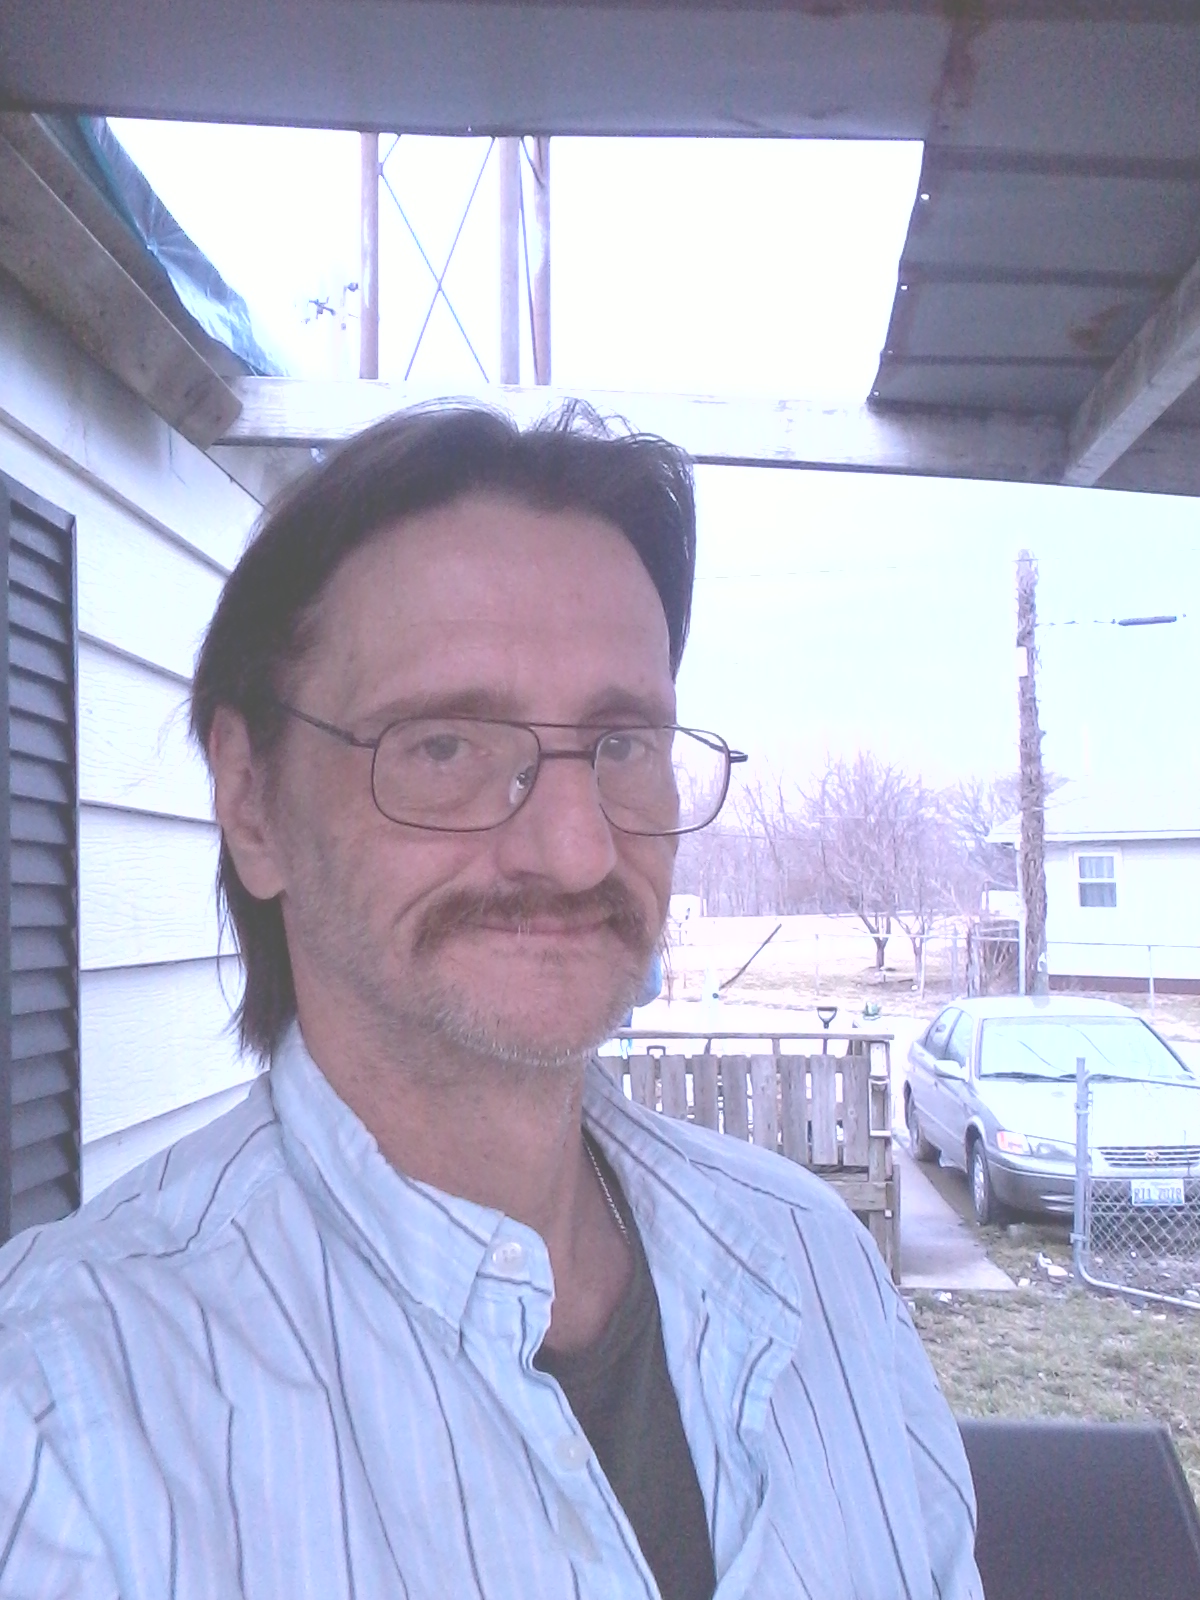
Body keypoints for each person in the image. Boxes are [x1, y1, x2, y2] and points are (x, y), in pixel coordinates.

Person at [0, 404, 982, 1598]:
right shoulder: (57, 1410)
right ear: (252, 803)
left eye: (623, 745)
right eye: (445, 747)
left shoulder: (818, 1269)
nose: (575, 850)